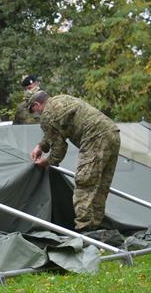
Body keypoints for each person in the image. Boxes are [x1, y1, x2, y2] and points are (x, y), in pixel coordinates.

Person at [28, 90, 120, 232]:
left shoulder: (47, 114)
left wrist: (46, 162)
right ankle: (95, 228)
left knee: (85, 183)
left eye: (33, 110)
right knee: (101, 185)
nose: (36, 114)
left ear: (37, 104)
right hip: (112, 132)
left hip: (94, 138)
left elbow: (59, 148)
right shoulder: (62, 99)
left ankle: (84, 230)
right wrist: (40, 146)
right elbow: (56, 131)